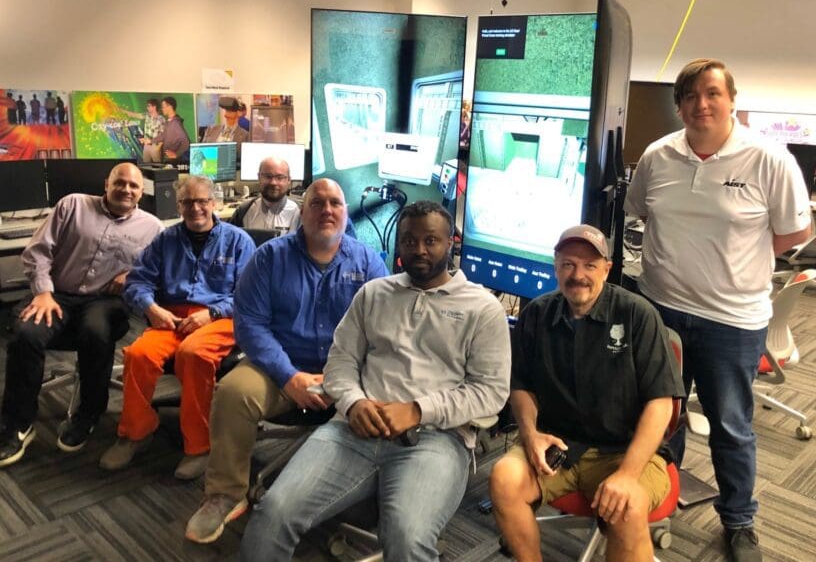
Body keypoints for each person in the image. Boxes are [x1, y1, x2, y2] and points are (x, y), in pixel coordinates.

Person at [239, 200, 512, 561]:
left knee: (407, 537)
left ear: (450, 244)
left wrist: (417, 410)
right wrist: (353, 402)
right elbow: (340, 360)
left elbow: (490, 392)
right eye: (409, 241)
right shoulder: (374, 293)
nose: (419, 250)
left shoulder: (483, 309)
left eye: (431, 241)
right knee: (274, 511)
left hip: (436, 440)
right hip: (353, 429)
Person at [625, 58, 812, 562]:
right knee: (663, 418)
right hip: (662, 312)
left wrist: (735, 265)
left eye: (712, 93)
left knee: (731, 426)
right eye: (689, 96)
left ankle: (739, 522)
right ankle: (659, 500)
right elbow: (639, 211)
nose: (701, 104)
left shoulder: (768, 159)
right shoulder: (657, 156)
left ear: (732, 99)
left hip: (732, 322)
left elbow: (796, 234)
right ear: (679, 105)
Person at [184, 178, 387, 544]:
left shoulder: (369, 262)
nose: (327, 210)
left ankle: (382, 496)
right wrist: (288, 376)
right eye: (317, 203)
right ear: (302, 211)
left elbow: (384, 329)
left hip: (349, 375)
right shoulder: (270, 258)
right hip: (280, 369)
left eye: (335, 204)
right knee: (234, 392)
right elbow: (250, 325)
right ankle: (225, 493)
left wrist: (343, 378)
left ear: (345, 213)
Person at [488, 224, 684, 562]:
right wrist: (531, 435)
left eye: (589, 265)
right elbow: (521, 386)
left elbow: (660, 405)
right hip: (557, 445)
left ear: (607, 269)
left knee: (628, 505)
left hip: (623, 449)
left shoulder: (637, 315)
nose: (578, 275)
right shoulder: (536, 314)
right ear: (555, 267)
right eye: (568, 264)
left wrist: (627, 474)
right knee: (504, 479)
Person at [0, 163, 163, 468]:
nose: (126, 189)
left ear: (141, 192)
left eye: (133, 186)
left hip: (105, 300)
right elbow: (37, 251)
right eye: (120, 183)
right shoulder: (72, 205)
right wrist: (43, 291)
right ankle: (18, 424)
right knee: (26, 334)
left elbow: (159, 270)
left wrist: (133, 274)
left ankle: (89, 415)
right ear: (106, 184)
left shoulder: (153, 227)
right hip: (56, 293)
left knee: (95, 331)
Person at [99, 176, 255, 479]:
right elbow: (137, 282)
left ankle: (199, 446)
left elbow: (250, 295)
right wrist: (151, 308)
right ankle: (136, 432)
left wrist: (211, 313)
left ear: (213, 203)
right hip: (172, 317)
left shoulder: (238, 241)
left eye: (201, 201)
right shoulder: (165, 240)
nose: (195, 208)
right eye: (187, 202)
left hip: (222, 319)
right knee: (139, 355)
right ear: (179, 205)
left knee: (193, 354)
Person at [229, 157, 301, 235]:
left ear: (289, 180)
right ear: (259, 177)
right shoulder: (244, 211)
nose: (273, 182)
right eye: (268, 176)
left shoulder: (299, 213)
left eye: (280, 177)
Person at [122, 98, 165, 163]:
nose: (147, 107)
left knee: (157, 166)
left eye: (149, 106)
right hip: (146, 146)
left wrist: (157, 148)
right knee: (146, 165)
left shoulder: (161, 119)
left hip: (155, 146)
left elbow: (163, 136)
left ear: (154, 107)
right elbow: (135, 115)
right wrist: (122, 111)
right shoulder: (147, 115)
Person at [154, 96, 190, 162]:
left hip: (172, 161)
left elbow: (186, 143)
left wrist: (176, 154)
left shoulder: (175, 123)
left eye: (163, 107)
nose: (162, 109)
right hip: (167, 158)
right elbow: (163, 136)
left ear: (170, 107)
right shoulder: (169, 121)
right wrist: (150, 141)